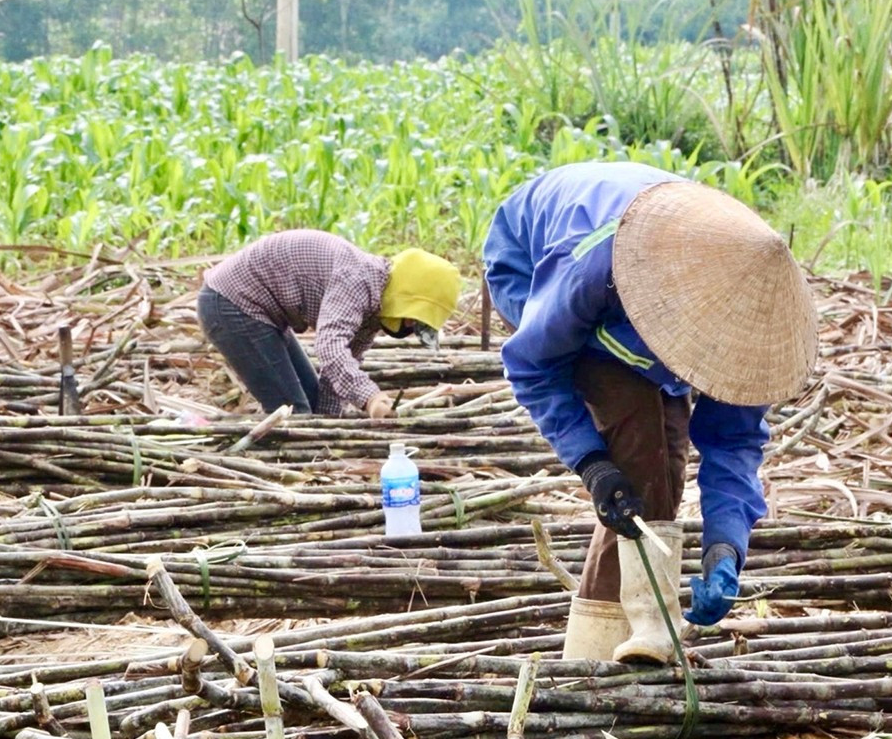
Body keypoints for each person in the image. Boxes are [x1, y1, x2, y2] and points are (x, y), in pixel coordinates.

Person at [483, 161, 817, 664]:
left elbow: (732, 443)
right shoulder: (601, 267)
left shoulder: (746, 318)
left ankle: (635, 636)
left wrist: (725, 549)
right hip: (534, 263)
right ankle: (597, 653)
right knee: (639, 454)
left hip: (628, 274)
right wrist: (591, 463)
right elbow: (532, 365)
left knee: (667, 465)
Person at [197, 229, 461, 418]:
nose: (410, 327)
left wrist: (329, 424)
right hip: (231, 304)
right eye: (414, 319)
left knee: (313, 407)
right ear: (407, 298)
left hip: (261, 316)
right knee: (294, 415)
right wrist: (370, 397)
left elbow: (341, 368)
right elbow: (330, 347)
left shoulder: (374, 307)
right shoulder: (358, 280)